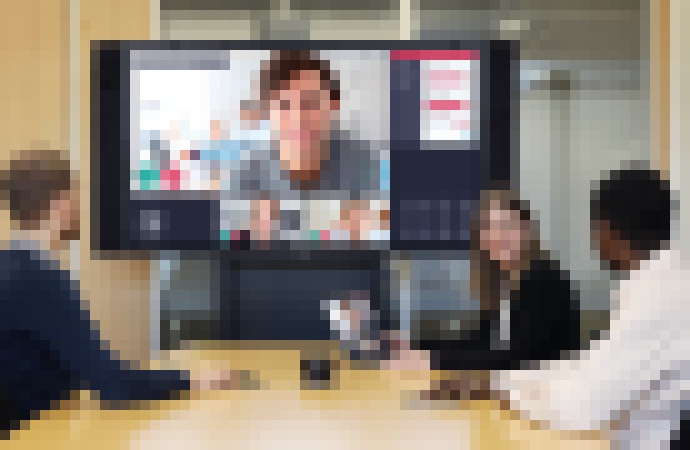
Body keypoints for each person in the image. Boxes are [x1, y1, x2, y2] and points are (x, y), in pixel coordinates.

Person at [0, 152, 235, 438]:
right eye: (76, 196)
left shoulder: (11, 266)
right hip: (38, 436)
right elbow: (115, 386)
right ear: (61, 202)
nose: (80, 207)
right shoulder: (39, 280)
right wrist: (192, 378)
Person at [487, 167, 687, 449]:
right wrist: (501, 383)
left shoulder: (658, 299)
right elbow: (589, 370)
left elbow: (579, 407)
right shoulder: (664, 285)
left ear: (608, 229)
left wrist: (504, 389)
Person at [416, 189, 581, 398]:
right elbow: (483, 340)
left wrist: (434, 359)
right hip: (516, 396)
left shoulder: (546, 283)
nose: (498, 236)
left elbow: (513, 358)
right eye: (489, 228)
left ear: (525, 230)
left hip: (547, 401)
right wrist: (421, 348)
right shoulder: (506, 282)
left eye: (506, 226)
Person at [237, 49, 387, 241]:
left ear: (333, 105)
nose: (299, 117)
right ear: (268, 112)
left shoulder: (367, 166)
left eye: (310, 103)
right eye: (284, 105)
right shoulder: (249, 176)